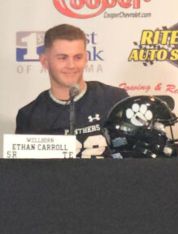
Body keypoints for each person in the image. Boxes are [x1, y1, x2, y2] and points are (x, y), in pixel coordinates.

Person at [16, 24, 129, 158]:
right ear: (45, 61)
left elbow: (135, 159)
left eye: (78, 57)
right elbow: (26, 173)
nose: (71, 65)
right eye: (62, 58)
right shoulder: (29, 116)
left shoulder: (114, 99)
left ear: (86, 59)